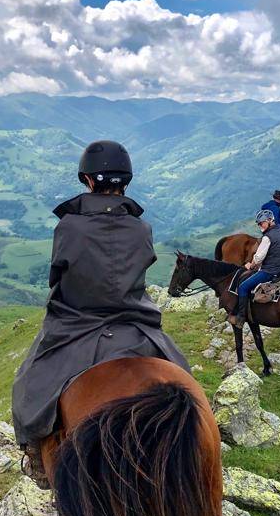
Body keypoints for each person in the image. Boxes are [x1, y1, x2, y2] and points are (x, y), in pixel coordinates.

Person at [11, 140, 189, 489]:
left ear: (88, 180)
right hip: (135, 322)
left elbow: (58, 276)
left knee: (28, 381)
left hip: (77, 321)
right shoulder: (142, 229)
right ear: (126, 181)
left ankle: (34, 453)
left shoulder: (69, 227)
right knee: (181, 374)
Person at [228, 209, 280, 327]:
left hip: (269, 272)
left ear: (269, 221)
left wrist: (251, 265)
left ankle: (240, 318)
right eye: (258, 224)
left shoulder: (267, 237)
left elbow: (259, 257)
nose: (260, 225)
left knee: (243, 287)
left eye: (261, 223)